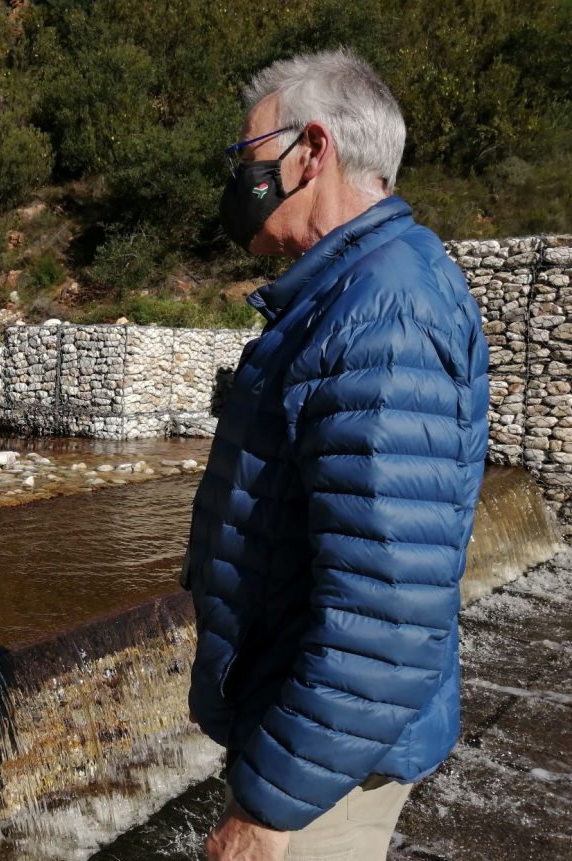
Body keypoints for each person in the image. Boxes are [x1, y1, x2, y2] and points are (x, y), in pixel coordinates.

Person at [183, 50, 489, 861]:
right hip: (315, 736)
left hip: (329, 768)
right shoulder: (354, 294)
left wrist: (267, 807)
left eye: (247, 158)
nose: (239, 179)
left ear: (310, 152)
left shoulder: (383, 315)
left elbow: (385, 614)